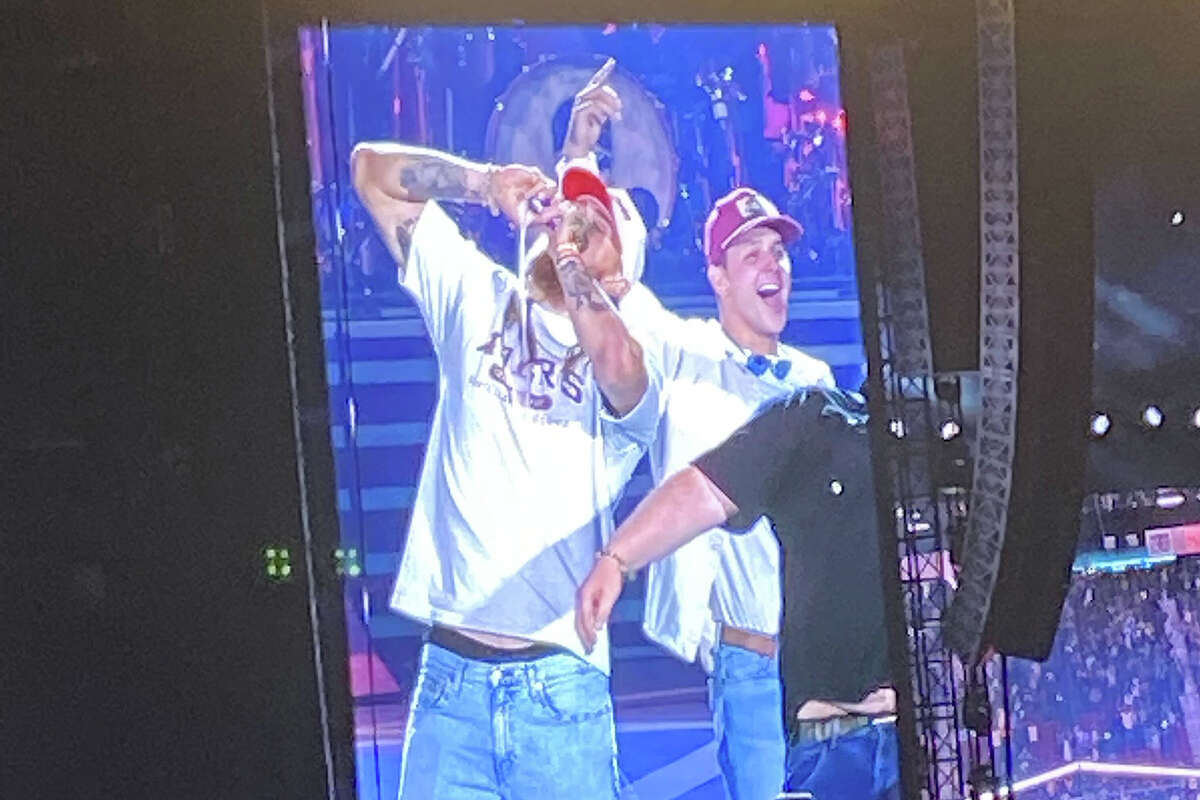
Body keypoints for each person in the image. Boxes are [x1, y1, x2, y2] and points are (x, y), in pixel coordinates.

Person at [351, 60, 659, 800]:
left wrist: (571, 252)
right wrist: (484, 183)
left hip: (557, 688)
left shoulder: (630, 348)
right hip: (450, 681)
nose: (569, 222)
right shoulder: (476, 294)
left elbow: (620, 368)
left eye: (593, 224)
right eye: (566, 210)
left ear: (621, 277)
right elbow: (371, 170)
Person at [557, 62, 833, 800]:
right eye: (752, 253)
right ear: (718, 277)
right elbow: (600, 261)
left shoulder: (815, 380)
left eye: (779, 251)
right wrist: (579, 152)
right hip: (751, 668)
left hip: (829, 663)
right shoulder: (682, 351)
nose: (772, 264)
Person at [576, 388, 901, 800]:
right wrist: (617, 558)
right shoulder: (815, 419)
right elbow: (709, 490)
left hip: (941, 739)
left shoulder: (957, 425)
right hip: (834, 748)